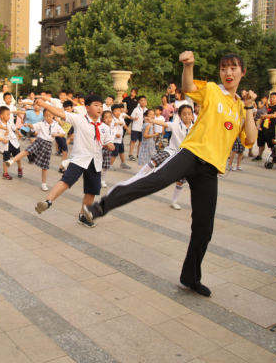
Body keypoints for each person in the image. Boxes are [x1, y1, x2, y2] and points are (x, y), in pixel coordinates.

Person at [82, 52, 258, 298]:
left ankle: (190, 278)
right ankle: (103, 206)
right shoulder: (212, 90)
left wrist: (249, 107)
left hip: (210, 169)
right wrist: (189, 65)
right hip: (191, 154)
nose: (228, 73)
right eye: (224, 68)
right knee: (156, 180)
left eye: (233, 68)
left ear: (243, 72)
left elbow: (250, 138)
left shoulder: (242, 106)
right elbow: (187, 86)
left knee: (204, 227)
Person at [32, 95, 115, 225]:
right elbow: (61, 112)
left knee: (91, 191)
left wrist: (111, 146)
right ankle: (47, 201)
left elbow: (109, 142)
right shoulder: (79, 119)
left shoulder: (105, 127)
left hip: (95, 162)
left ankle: (83, 216)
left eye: (101, 106)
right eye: (96, 105)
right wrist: (44, 104)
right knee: (66, 181)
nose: (99, 108)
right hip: (79, 159)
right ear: (87, 107)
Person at [140, 103, 195, 210]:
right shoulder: (176, 125)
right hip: (172, 151)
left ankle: (174, 201)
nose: (187, 116)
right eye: (184, 114)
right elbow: (164, 123)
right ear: (179, 115)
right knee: (156, 160)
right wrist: (152, 121)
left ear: (192, 115)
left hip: (185, 156)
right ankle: (138, 176)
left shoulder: (195, 128)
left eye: (189, 114)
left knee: (181, 180)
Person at [6, 108, 65, 191]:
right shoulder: (41, 123)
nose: (48, 117)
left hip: (48, 145)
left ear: (53, 116)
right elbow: (33, 126)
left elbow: (63, 134)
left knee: (45, 166)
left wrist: (57, 134)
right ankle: (12, 161)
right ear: (43, 116)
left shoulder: (56, 125)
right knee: (27, 151)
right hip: (39, 141)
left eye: (50, 116)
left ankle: (43, 184)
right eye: (46, 116)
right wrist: (28, 125)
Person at [0, 105, 24, 180]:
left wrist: (19, 133)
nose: (9, 116)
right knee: (6, 159)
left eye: (9, 114)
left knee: (18, 156)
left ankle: (20, 169)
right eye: (7, 114)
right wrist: (2, 139)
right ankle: (5, 173)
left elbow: (14, 128)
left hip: (13, 142)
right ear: (1, 115)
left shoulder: (10, 121)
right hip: (5, 144)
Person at [252, 92, 276, 161]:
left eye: (274, 97)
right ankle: (259, 156)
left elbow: (275, 115)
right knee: (261, 142)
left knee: (271, 143)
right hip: (262, 127)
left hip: (270, 128)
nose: (272, 99)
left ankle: (275, 157)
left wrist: (265, 116)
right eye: (270, 97)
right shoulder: (265, 105)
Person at [110, 104, 131, 169]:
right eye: (115, 111)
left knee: (121, 150)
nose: (118, 112)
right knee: (115, 152)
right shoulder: (111, 119)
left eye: (119, 111)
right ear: (112, 112)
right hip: (115, 139)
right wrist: (116, 134)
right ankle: (110, 165)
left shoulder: (121, 118)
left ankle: (123, 163)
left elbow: (123, 124)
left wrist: (128, 129)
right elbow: (110, 128)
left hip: (120, 138)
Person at [128, 95, 147, 161]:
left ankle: (139, 154)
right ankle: (130, 154)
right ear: (139, 102)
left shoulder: (146, 110)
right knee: (133, 141)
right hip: (136, 128)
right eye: (141, 101)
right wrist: (134, 118)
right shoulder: (136, 109)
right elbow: (131, 117)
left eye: (144, 100)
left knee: (141, 142)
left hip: (143, 128)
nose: (143, 102)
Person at [100, 110, 114, 188]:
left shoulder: (113, 127)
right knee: (98, 165)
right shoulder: (101, 126)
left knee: (106, 166)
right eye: (106, 117)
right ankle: (97, 179)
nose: (108, 119)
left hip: (109, 149)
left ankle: (103, 180)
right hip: (101, 148)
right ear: (102, 119)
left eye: (110, 117)